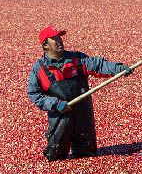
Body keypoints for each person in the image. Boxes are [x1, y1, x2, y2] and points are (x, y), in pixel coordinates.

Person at [27, 27, 132, 161]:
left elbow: (98, 65)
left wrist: (118, 69)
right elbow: (34, 93)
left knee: (86, 155)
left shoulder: (76, 59)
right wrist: (54, 104)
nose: (59, 41)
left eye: (60, 38)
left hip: (83, 114)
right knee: (56, 155)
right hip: (61, 116)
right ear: (45, 46)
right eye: (54, 39)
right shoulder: (40, 68)